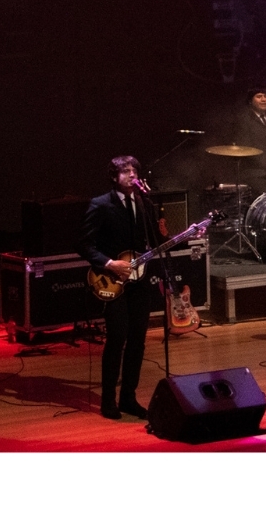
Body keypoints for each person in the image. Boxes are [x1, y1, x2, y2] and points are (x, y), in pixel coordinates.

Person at [80, 155, 158, 420]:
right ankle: (108, 400)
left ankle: (128, 398)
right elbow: (83, 244)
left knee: (138, 341)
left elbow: (156, 240)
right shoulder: (101, 204)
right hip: (112, 280)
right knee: (117, 339)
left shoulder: (144, 203)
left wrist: (189, 234)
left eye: (134, 170)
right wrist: (109, 263)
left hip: (140, 281)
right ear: (114, 177)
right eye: (125, 171)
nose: (132, 175)